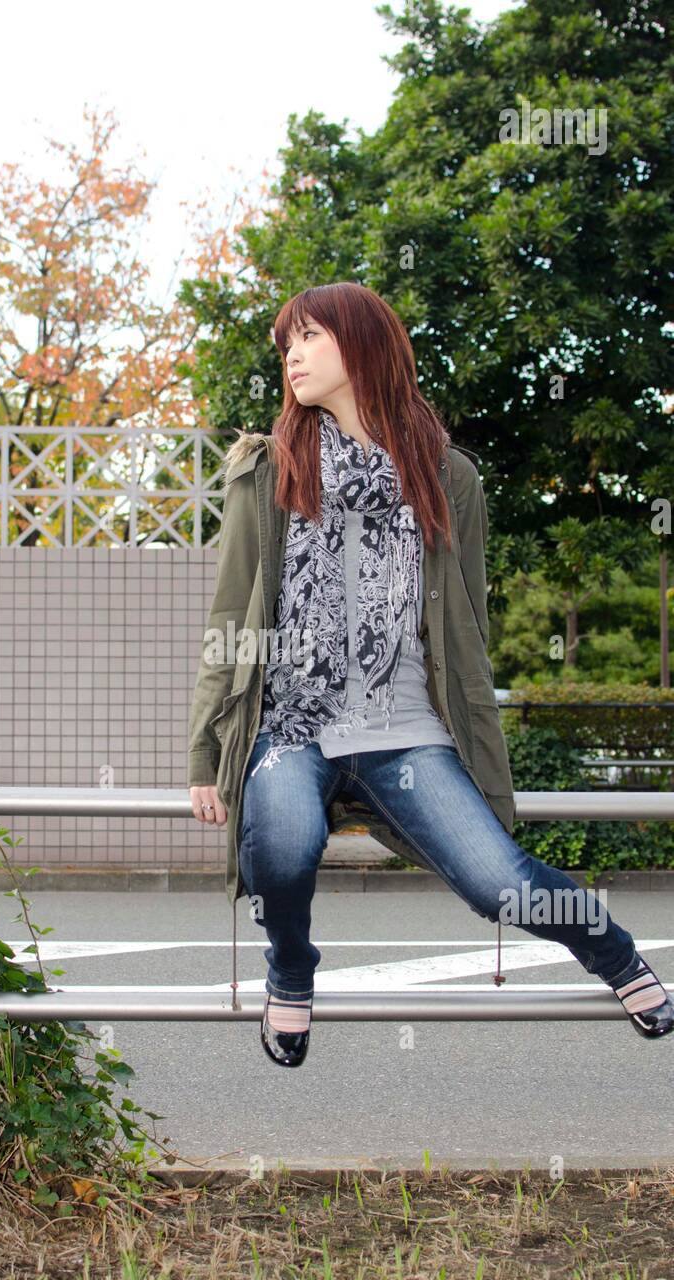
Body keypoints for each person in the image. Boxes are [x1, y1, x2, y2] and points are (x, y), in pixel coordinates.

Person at [188, 281, 674, 1068]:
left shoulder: (447, 477)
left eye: (308, 337)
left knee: (495, 883)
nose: (292, 355)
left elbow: (464, 625)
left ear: (364, 345)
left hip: (403, 729)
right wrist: (205, 755)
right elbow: (229, 618)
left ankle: (615, 954)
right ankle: (290, 967)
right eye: (286, 344)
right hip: (292, 726)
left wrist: (476, 735)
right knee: (280, 843)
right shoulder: (267, 470)